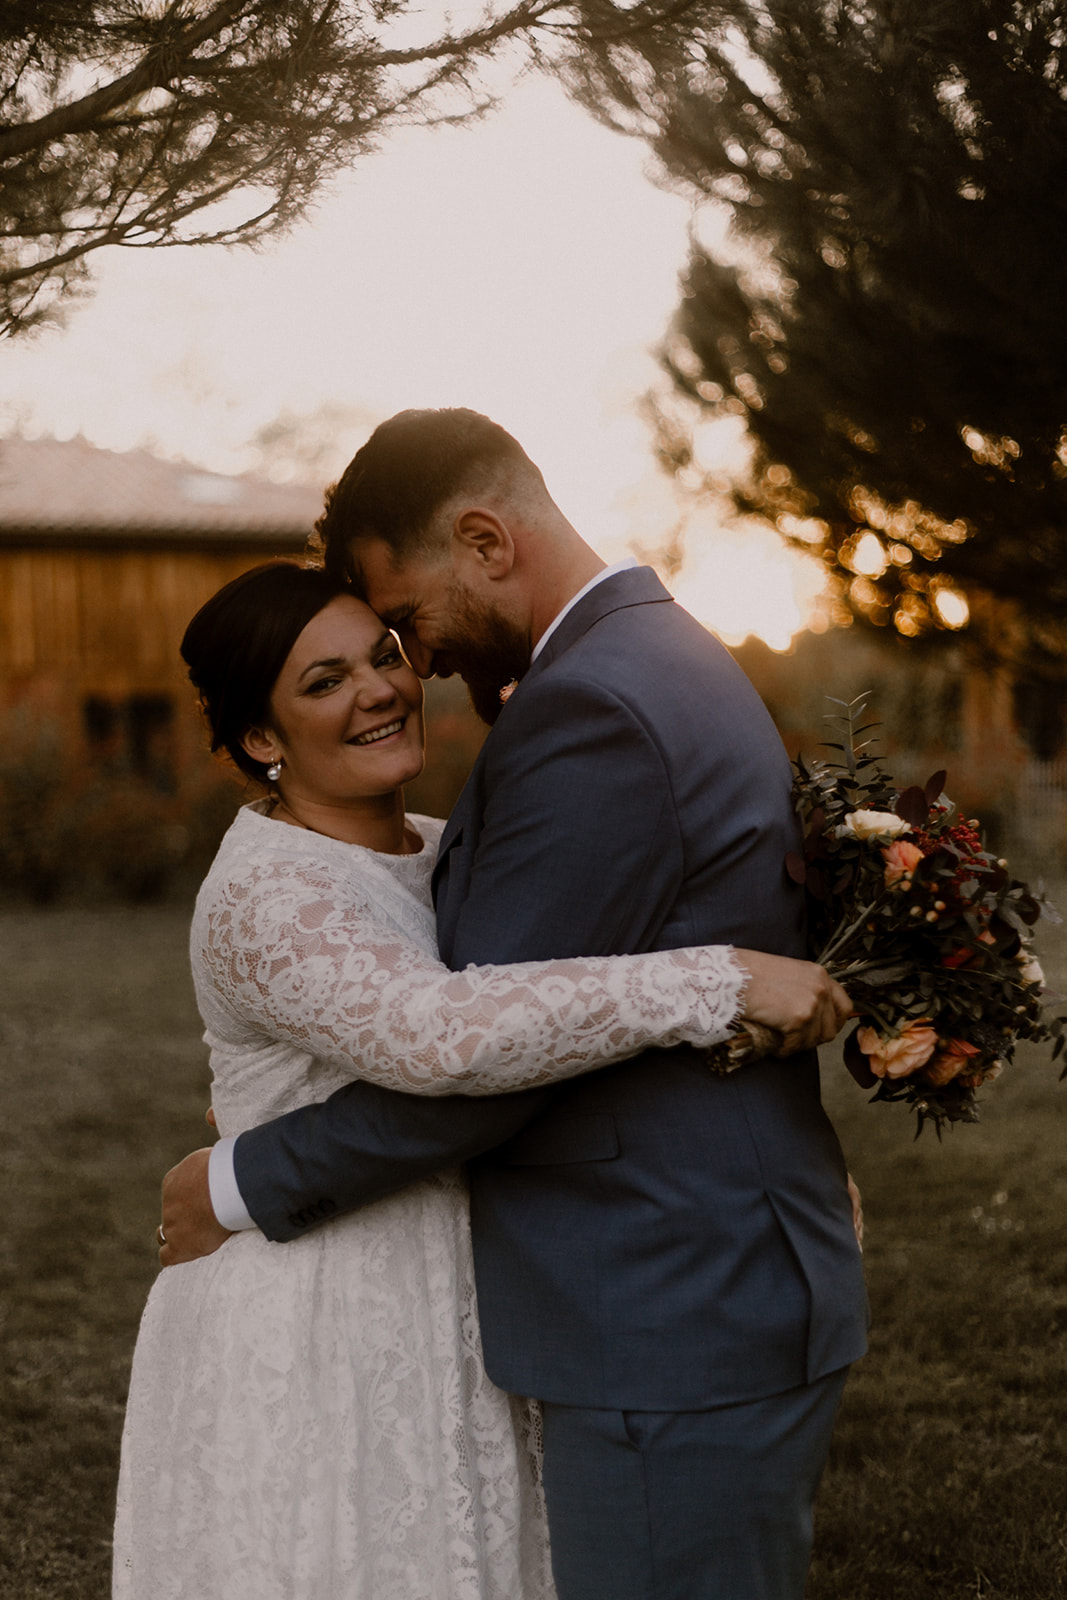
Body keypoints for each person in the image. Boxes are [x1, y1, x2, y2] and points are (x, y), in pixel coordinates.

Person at [161, 409, 868, 1599]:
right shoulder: (658, 654)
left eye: (402, 626)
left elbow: (476, 1046)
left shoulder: (589, 709)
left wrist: (237, 1181)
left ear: (485, 540)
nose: (413, 665)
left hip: (664, 1297)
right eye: (335, 670)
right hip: (665, 1279)